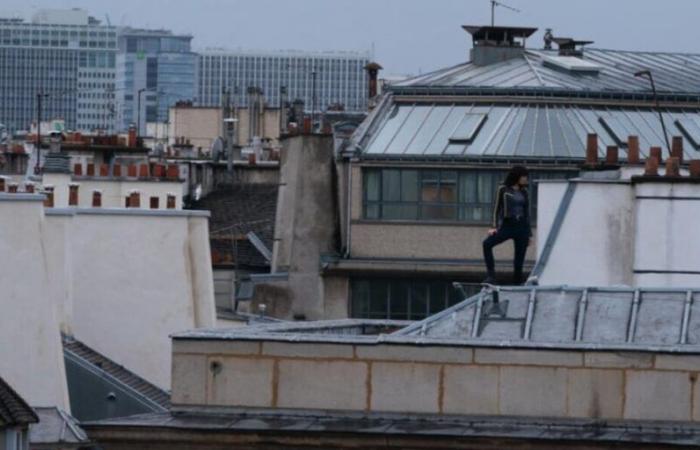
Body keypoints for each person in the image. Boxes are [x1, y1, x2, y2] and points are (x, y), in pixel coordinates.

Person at [482, 166, 532, 285]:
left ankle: (517, 283)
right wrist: (493, 226)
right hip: (508, 225)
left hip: (521, 227)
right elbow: (496, 208)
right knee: (487, 244)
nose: (526, 179)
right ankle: (491, 275)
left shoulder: (524, 192)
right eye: (524, 176)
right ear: (517, 176)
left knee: (519, 260)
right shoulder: (503, 190)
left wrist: (529, 234)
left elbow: (527, 214)